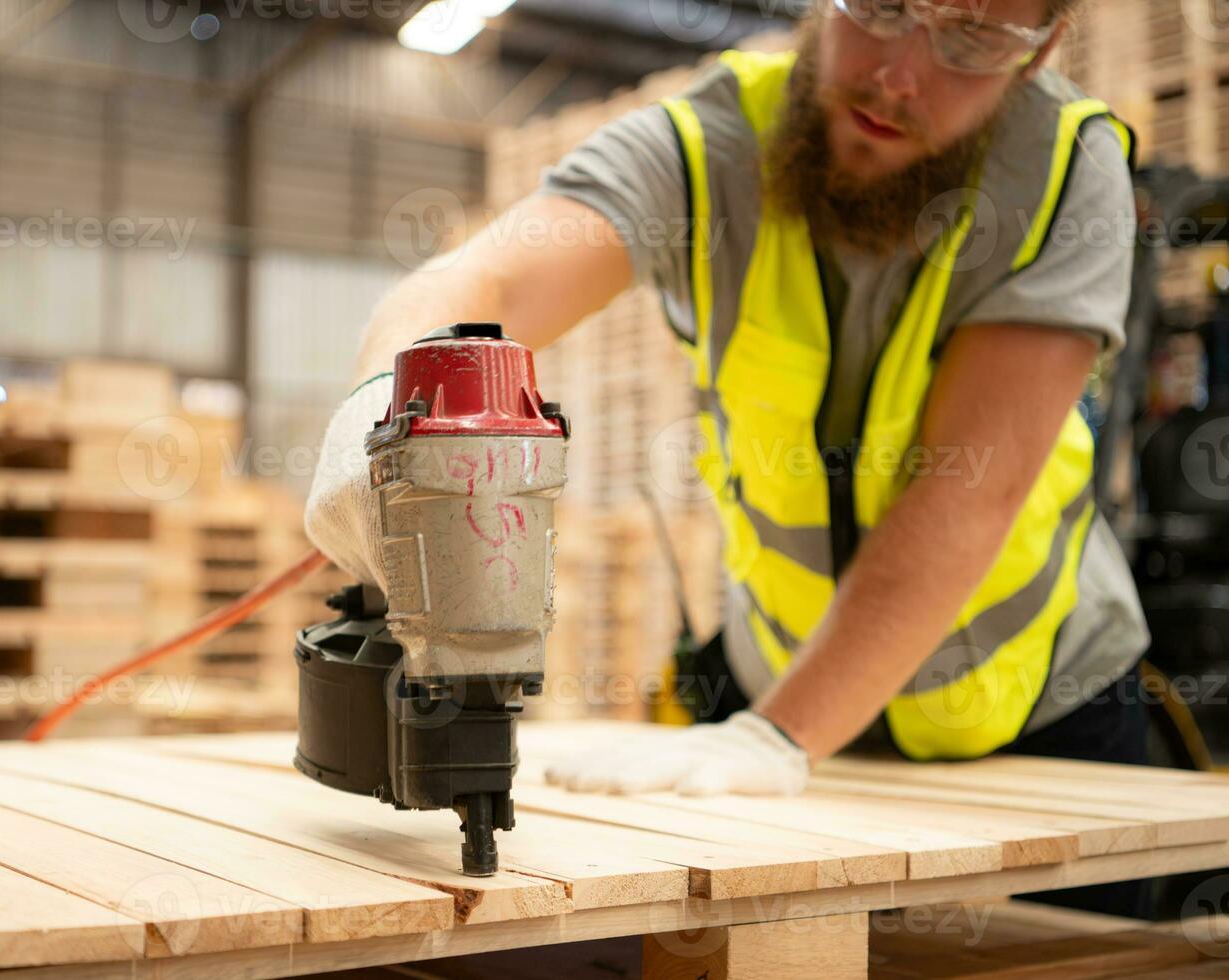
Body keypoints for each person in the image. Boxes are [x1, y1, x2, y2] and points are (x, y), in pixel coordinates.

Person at [305, 0, 1152, 914]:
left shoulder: (1066, 171)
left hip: (1037, 714)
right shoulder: (708, 145)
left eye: (973, 39)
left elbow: (967, 497)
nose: (900, 72)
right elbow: (491, 281)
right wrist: (382, 412)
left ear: (1040, 53)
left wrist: (778, 738)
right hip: (772, 691)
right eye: (880, 7)